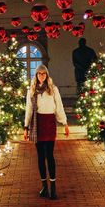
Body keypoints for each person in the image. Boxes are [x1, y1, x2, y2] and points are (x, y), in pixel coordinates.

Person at [24, 64, 69, 200]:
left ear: (47, 75)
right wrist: (26, 127)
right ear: (36, 75)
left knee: (49, 155)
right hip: (37, 123)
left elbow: (59, 106)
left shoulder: (53, 89)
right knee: (40, 156)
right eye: (39, 73)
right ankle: (44, 186)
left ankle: (53, 187)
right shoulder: (31, 91)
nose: (41, 76)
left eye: (44, 73)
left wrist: (65, 123)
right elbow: (29, 109)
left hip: (49, 122)